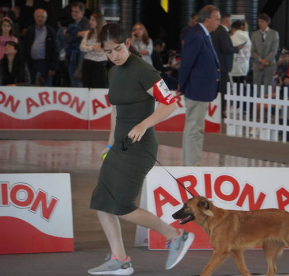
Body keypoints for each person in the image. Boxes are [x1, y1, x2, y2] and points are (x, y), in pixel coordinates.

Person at [88, 23, 194, 276]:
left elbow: (169, 104)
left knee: (122, 206)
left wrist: (144, 125)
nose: (114, 55)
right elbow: (115, 111)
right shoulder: (113, 72)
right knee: (102, 201)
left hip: (140, 147)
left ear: (127, 42)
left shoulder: (144, 70)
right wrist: (110, 144)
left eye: (118, 48)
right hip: (120, 146)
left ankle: (175, 235)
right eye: (108, 51)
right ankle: (120, 259)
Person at [177, 5, 221, 166]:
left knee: (194, 129)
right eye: (217, 19)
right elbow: (187, 63)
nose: (219, 22)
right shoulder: (196, 35)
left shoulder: (202, 34)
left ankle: (191, 163)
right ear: (207, 19)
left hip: (200, 89)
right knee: (194, 129)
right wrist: (181, 86)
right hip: (197, 90)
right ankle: (191, 165)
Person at [211, 13, 243, 115]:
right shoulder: (223, 32)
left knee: (219, 88)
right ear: (227, 21)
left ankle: (219, 111)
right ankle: (220, 111)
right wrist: (237, 48)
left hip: (217, 64)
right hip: (223, 65)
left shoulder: (216, 31)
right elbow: (226, 49)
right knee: (223, 89)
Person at [24, 9, 58, 87]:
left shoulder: (50, 31)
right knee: (31, 85)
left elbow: (55, 51)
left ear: (46, 18)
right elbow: (25, 47)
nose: (40, 19)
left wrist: (53, 67)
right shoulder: (30, 30)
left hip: (45, 64)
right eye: (38, 16)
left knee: (45, 86)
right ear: (34, 18)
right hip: (31, 63)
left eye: (42, 17)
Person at [62, 2, 91, 87]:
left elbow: (87, 36)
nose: (73, 14)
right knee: (73, 81)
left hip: (81, 56)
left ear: (82, 12)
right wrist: (77, 34)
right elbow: (66, 39)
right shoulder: (72, 24)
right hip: (72, 56)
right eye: (72, 11)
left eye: (76, 12)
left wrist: (72, 33)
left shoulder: (86, 23)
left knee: (79, 81)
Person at [251, 13, 279, 92]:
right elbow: (252, 51)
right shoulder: (254, 34)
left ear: (267, 22)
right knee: (256, 88)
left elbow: (274, 51)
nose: (260, 23)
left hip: (269, 65)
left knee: (268, 88)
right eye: (259, 21)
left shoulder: (274, 33)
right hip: (257, 65)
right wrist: (260, 60)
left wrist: (264, 62)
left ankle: (267, 104)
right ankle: (257, 104)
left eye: (262, 21)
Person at [80, 12, 108, 88]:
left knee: (99, 86)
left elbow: (102, 50)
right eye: (90, 19)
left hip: (100, 64)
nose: (90, 22)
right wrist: (93, 47)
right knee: (86, 86)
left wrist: (88, 47)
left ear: (98, 21)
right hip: (87, 63)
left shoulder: (105, 34)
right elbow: (82, 47)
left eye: (93, 20)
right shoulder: (88, 33)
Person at [229, 20, 251, 85]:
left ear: (233, 28)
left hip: (235, 68)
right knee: (242, 88)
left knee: (235, 90)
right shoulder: (248, 38)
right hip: (245, 66)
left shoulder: (231, 38)